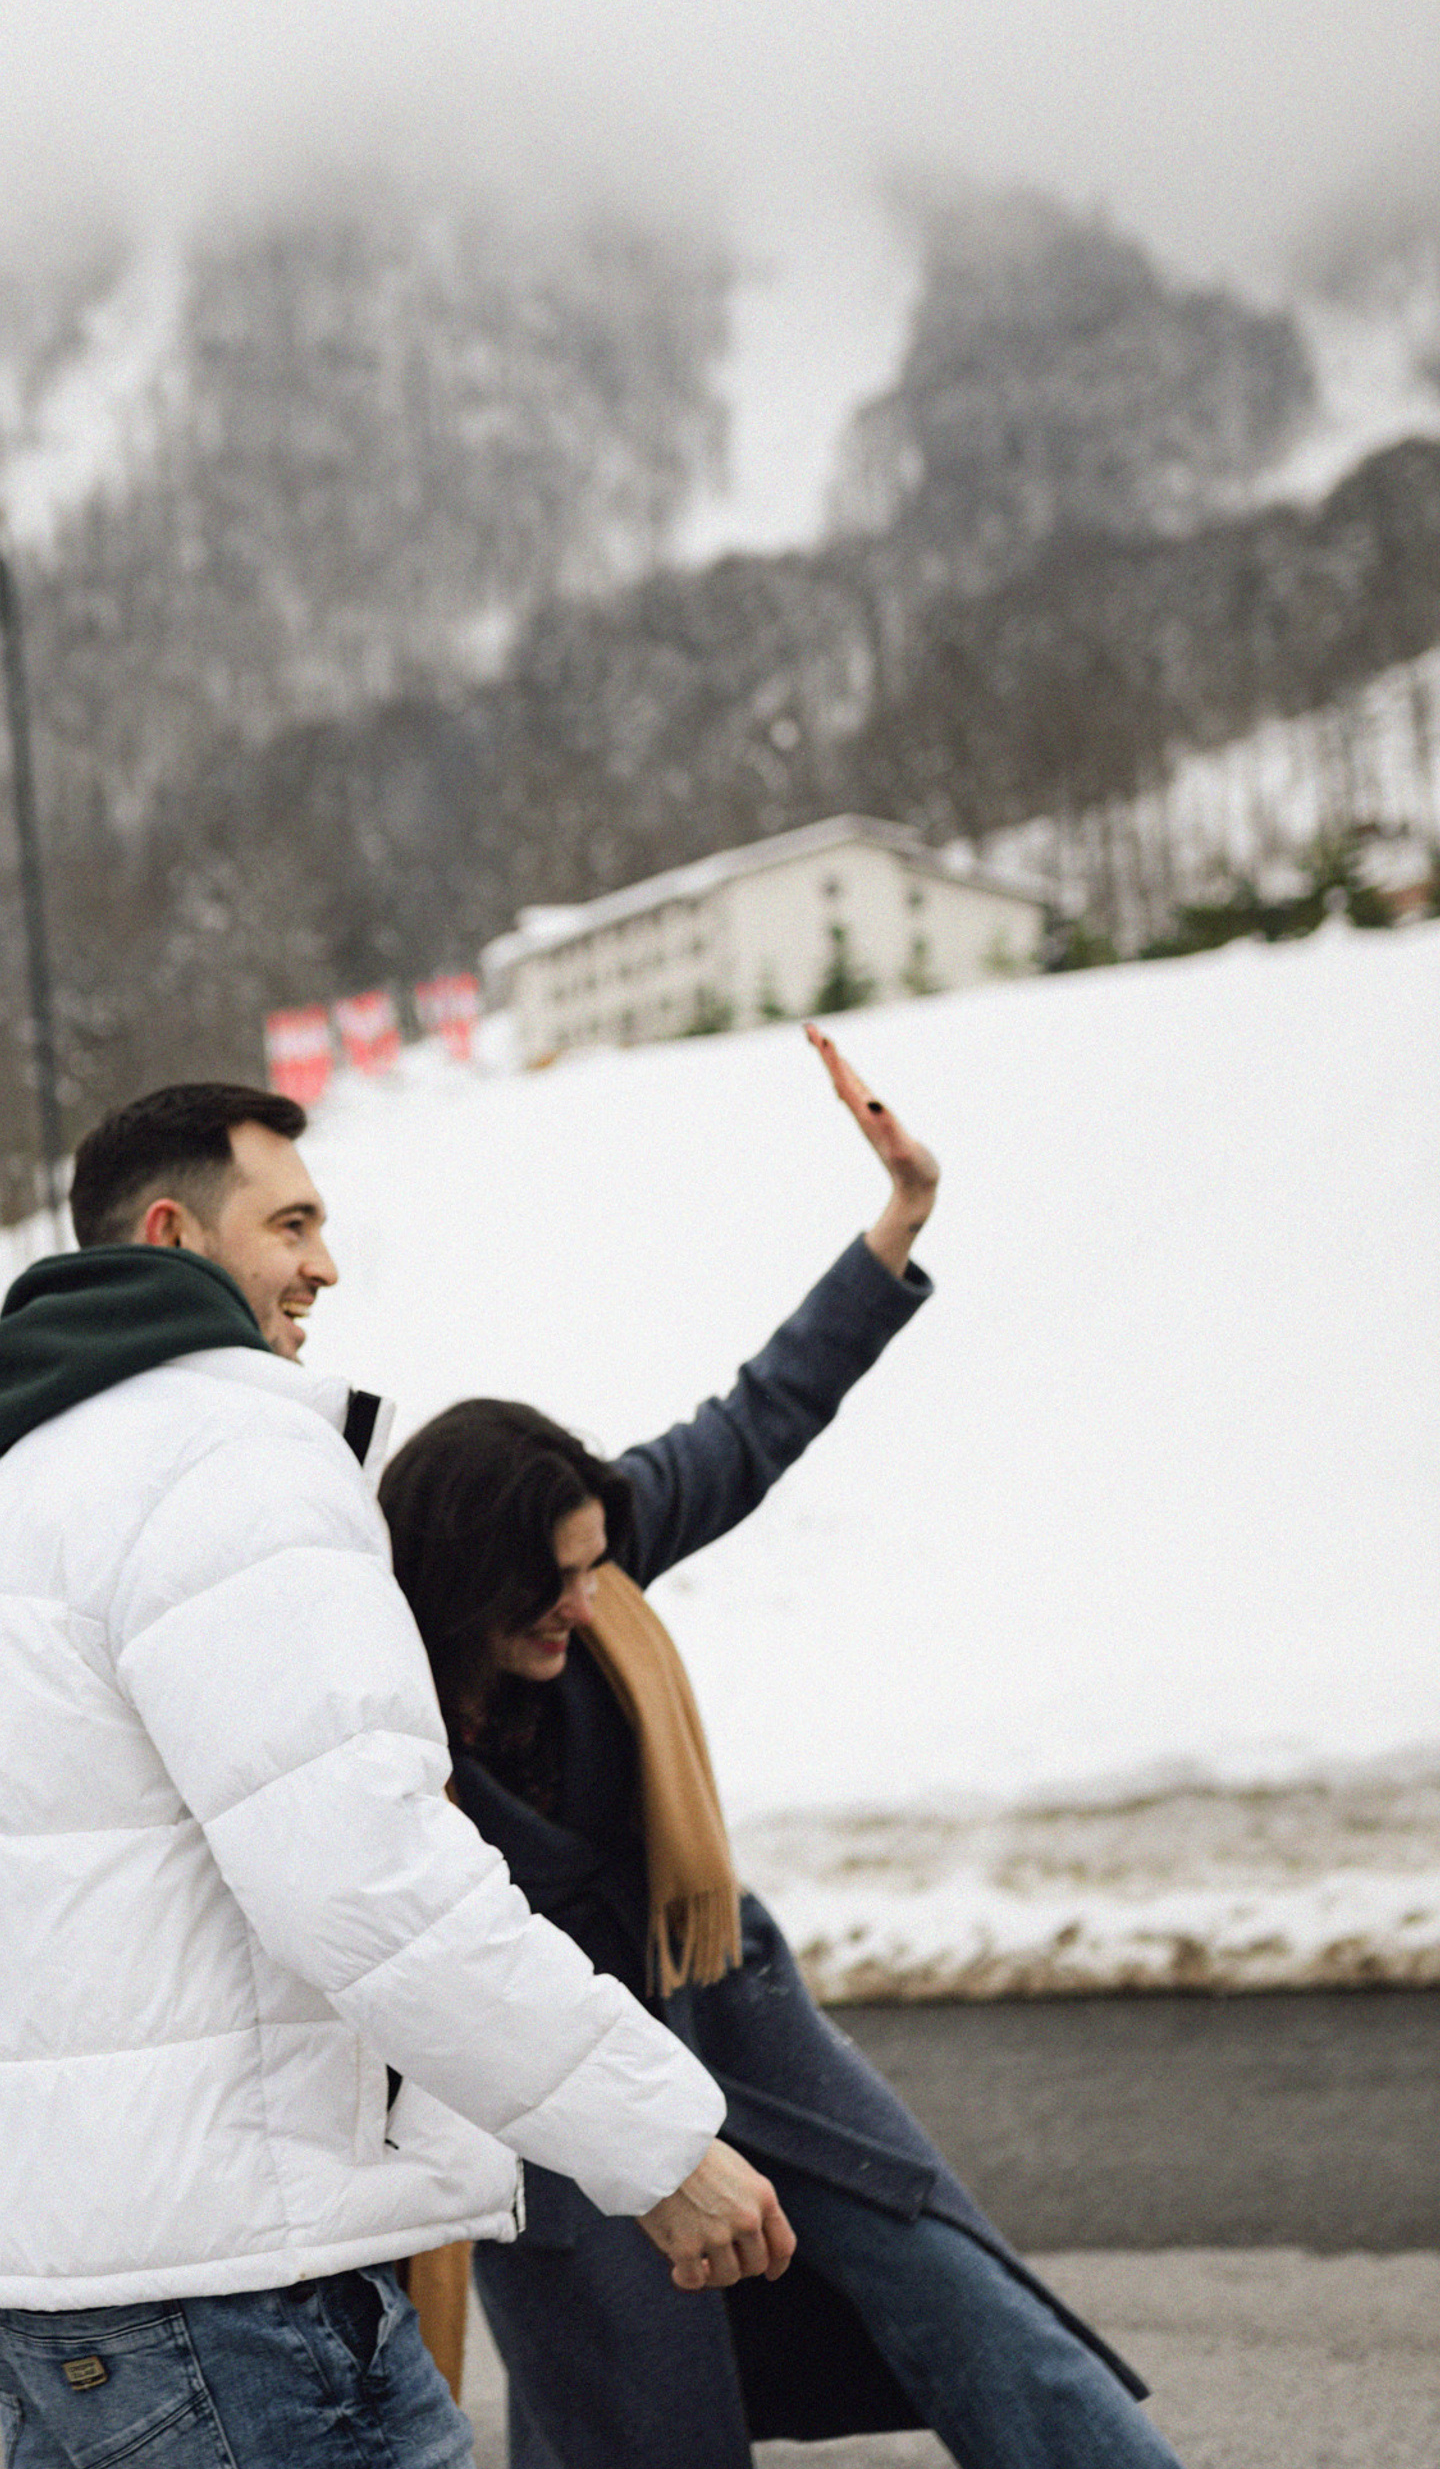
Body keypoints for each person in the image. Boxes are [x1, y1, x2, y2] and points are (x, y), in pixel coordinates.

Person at [0, 1081, 796, 2469]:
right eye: (290, 1222)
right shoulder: (230, 1464)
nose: (325, 1264)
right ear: (174, 1234)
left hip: (37, 2272)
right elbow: (369, 1872)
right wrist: (651, 2140)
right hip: (219, 2279)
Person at [376, 1025, 1183, 2469]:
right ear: (462, 1576)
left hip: (734, 2017)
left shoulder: (597, 1552)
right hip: (576, 2126)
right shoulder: (372, 1704)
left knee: (973, 2305)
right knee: (643, 2434)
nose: (586, 1599)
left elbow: (756, 1419)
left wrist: (899, 1224)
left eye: (594, 1564)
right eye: (550, 1581)